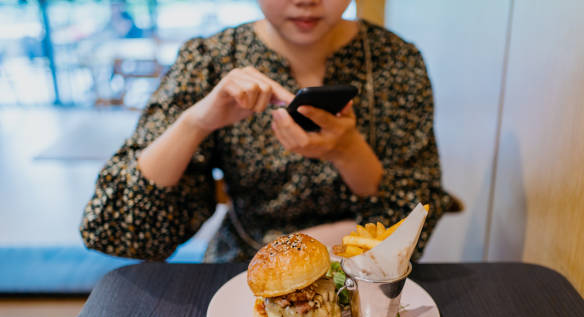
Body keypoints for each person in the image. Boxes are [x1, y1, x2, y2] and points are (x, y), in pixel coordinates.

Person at [80, 0, 452, 262]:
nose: (306, 1)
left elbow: (414, 216)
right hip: (245, 267)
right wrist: (196, 122)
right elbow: (117, 230)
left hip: (363, 269)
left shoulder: (395, 61)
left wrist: (347, 150)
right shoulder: (211, 59)